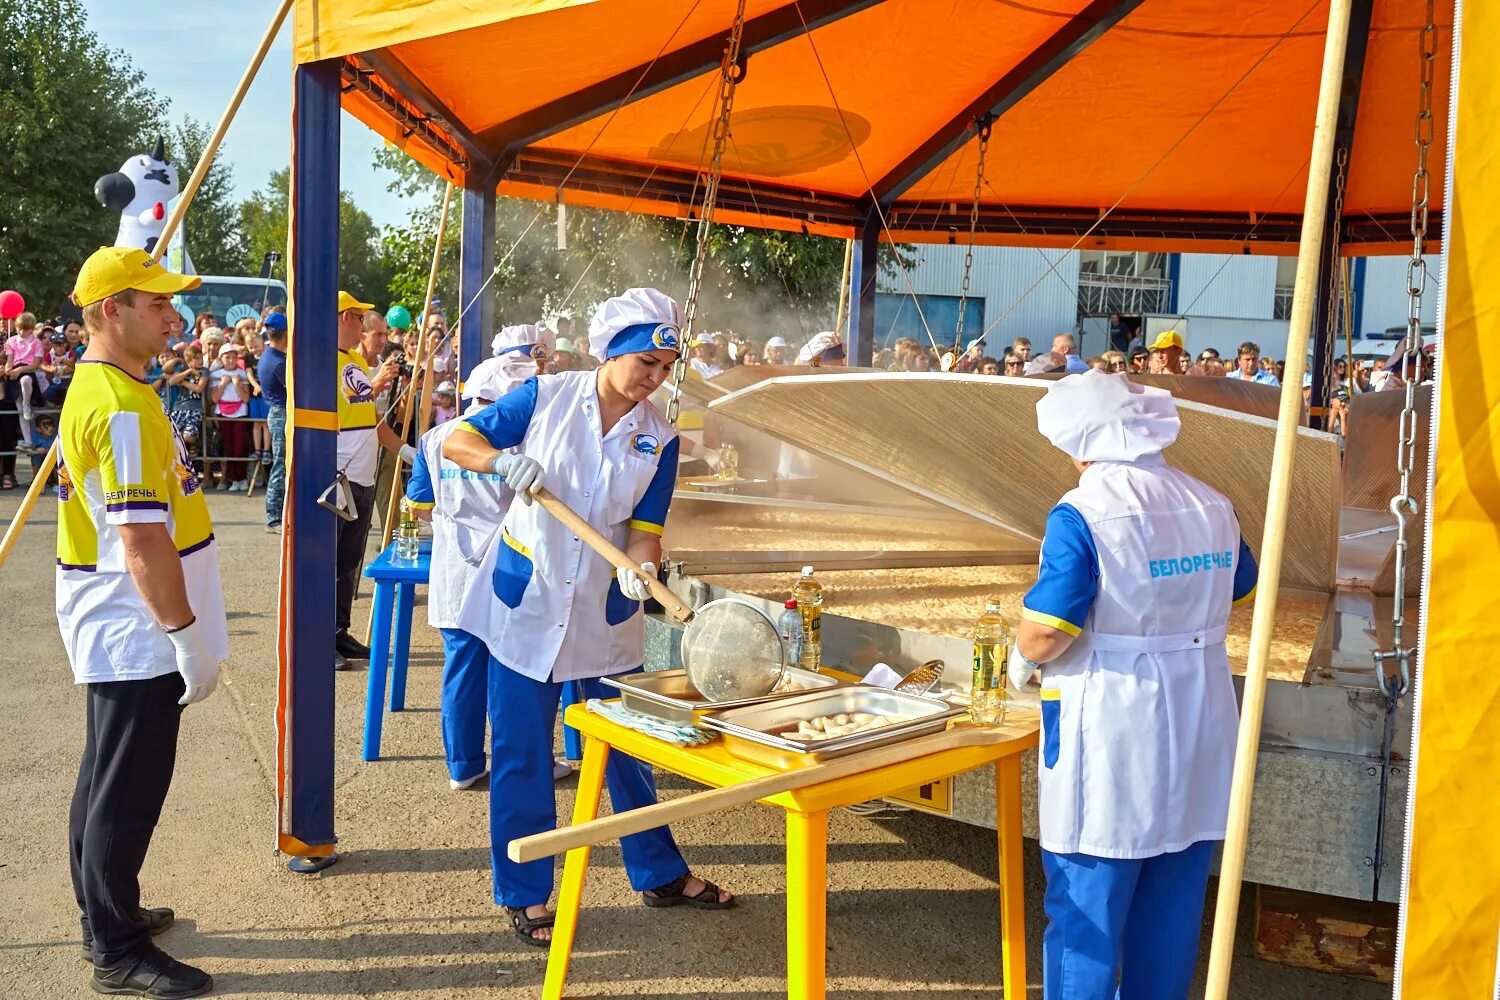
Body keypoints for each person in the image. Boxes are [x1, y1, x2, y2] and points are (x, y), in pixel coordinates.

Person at [442, 287, 734, 946]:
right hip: (527, 604)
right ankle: (526, 893)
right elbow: (457, 444)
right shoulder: (543, 397)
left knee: (628, 751)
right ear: (614, 352)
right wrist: (500, 460)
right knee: (521, 753)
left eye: (665, 368)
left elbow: (645, 529)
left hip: (605, 614)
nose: (655, 381)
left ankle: (657, 873)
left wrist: (643, 568)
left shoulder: (659, 437)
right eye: (646, 365)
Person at [1008, 370, 1257, 1000]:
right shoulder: (1211, 502)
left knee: (1087, 905)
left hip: (1113, 721)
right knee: (1171, 907)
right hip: (1200, 714)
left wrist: (1018, 658)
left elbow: (1048, 630)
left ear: (1081, 441)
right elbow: (1241, 582)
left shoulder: (1083, 512)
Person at [60, 246, 229, 998]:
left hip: (121, 617)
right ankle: (115, 947)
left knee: (106, 778)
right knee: (126, 790)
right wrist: (185, 634)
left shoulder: (116, 384)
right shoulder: (122, 403)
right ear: (109, 312)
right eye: (156, 304)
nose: (175, 317)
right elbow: (140, 538)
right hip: (135, 625)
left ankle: (108, 912)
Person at [406, 350, 572, 791]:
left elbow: (420, 507)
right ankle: (525, 763)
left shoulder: (435, 439)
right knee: (516, 671)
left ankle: (462, 765)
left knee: (461, 670)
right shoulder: (524, 444)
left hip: (454, 571)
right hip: (511, 572)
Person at [334, 291, 416, 668]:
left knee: (349, 561)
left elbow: (372, 419)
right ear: (347, 318)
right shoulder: (322, 362)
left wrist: (407, 452)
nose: (381, 339)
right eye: (369, 326)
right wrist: (379, 382)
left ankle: (339, 631)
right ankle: (321, 639)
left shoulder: (352, 360)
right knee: (329, 561)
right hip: (337, 475)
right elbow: (349, 401)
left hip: (362, 474)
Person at [258, 312, 288, 533]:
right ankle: (273, 516)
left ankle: (277, 514)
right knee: (280, 465)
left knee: (282, 464)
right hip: (281, 413)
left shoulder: (270, 356)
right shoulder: (278, 362)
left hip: (278, 412)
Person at [209, 344, 252, 491]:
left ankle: (242, 477)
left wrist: (237, 385)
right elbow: (214, 398)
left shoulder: (242, 374)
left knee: (240, 446)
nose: (231, 360)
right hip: (223, 412)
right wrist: (223, 383)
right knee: (228, 447)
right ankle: (234, 479)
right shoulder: (215, 374)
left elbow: (246, 398)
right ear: (221, 358)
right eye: (227, 357)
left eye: (234, 357)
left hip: (240, 411)